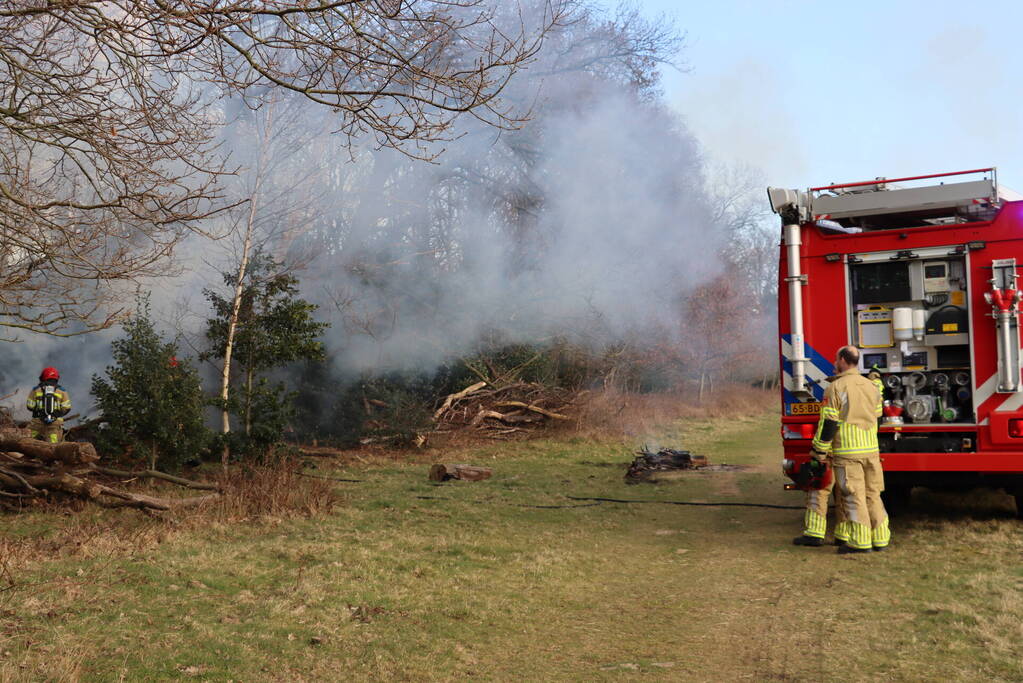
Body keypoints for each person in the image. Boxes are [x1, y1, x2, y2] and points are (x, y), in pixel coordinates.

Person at [806, 345, 889, 553]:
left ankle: (860, 543)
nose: (835, 363)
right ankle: (880, 539)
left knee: (853, 496)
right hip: (871, 450)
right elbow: (878, 415)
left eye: (836, 359)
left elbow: (829, 424)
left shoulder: (835, 387)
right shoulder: (871, 386)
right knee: (873, 494)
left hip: (848, 452)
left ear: (843, 360)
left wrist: (819, 451)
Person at [26, 367, 72, 443]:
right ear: (56, 378)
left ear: (43, 377)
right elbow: (67, 408)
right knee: (53, 447)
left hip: (37, 423)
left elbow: (30, 406)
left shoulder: (36, 389)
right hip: (55, 424)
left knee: (27, 441)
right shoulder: (62, 391)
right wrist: (56, 415)